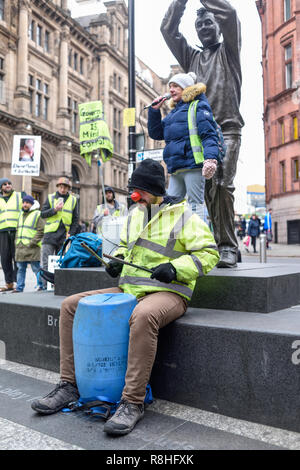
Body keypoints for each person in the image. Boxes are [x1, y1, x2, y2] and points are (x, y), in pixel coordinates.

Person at [31, 159, 220, 436]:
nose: (134, 196)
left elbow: (209, 253)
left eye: (139, 190)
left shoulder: (184, 216)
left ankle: (133, 401)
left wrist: (175, 268)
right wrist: (117, 261)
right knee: (71, 306)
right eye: (132, 190)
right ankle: (69, 385)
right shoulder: (134, 214)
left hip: (169, 293)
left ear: (155, 189)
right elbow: (122, 247)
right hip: (129, 289)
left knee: (143, 316)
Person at [161, 0, 244, 267]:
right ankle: (212, 243)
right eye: (199, 24)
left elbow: (229, 13)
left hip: (227, 129)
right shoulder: (192, 59)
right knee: (206, 191)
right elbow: (167, 29)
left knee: (221, 184)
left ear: (218, 26)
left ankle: (228, 246)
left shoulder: (229, 50)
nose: (204, 27)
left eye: (209, 22)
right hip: (201, 135)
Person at [147, 71, 219, 220]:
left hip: (193, 165)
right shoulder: (173, 114)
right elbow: (156, 134)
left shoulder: (198, 106)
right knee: (170, 208)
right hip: (176, 168)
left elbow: (209, 135)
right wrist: (154, 111)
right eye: (170, 86)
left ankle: (200, 242)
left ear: (186, 88)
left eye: (176, 86)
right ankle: (174, 241)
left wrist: (210, 159)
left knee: (195, 206)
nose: (171, 90)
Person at [40, 177, 79, 287]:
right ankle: (43, 285)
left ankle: (58, 285)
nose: (62, 189)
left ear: (68, 188)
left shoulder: (73, 200)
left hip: (64, 235)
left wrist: (71, 232)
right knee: (46, 261)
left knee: (61, 261)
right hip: (50, 234)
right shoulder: (50, 197)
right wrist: (54, 210)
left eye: (65, 187)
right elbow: (42, 214)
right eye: (61, 187)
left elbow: (75, 219)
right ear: (58, 187)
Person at [13, 195, 44, 293]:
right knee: (20, 269)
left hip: (32, 247)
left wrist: (33, 242)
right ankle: (19, 288)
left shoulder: (37, 214)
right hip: (20, 247)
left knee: (36, 268)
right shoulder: (20, 214)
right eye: (24, 202)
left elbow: (41, 230)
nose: (25, 204)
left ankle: (41, 286)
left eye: (27, 203)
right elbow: (18, 229)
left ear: (32, 204)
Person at [0, 178, 23, 292]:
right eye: (4, 184)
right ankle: (9, 283)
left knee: (17, 257)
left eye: (9, 183)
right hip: (2, 232)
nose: (8, 185)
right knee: (5, 258)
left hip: (16, 231)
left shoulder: (19, 196)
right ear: (1, 187)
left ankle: (19, 283)